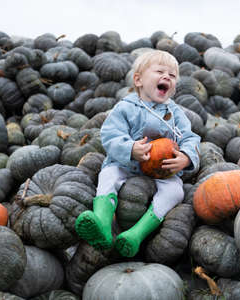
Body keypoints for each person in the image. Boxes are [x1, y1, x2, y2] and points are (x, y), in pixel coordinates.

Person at [75, 49, 201, 257]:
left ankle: (136, 234)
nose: (166, 77)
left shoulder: (176, 113)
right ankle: (102, 224)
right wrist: (130, 148)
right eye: (160, 71)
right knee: (108, 175)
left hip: (162, 170)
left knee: (175, 192)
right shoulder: (125, 107)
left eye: (172, 75)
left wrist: (186, 158)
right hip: (126, 164)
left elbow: (191, 137)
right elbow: (110, 134)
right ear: (138, 80)